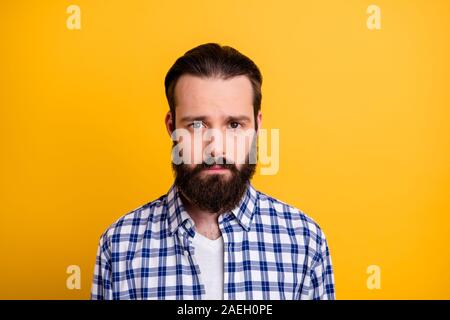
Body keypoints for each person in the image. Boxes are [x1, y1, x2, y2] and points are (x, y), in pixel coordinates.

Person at [91, 43, 335, 300]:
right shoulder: (118, 246)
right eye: (196, 124)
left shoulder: (306, 242)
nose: (216, 148)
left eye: (234, 124)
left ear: (256, 126)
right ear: (172, 127)